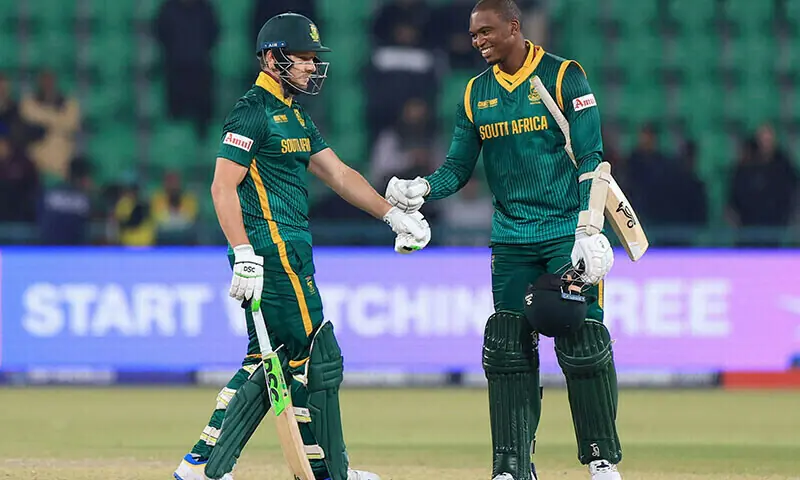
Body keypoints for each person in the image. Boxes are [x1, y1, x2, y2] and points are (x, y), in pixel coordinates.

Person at [173, 12, 430, 480]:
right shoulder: (251, 110)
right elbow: (221, 187)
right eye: (304, 58)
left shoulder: (294, 115)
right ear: (273, 59)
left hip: (288, 249)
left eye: (315, 59)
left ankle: (200, 465)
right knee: (319, 356)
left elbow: (339, 174)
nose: (313, 67)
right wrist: (245, 254)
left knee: (263, 361)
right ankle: (333, 470)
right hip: (272, 251)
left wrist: (392, 216)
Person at [384, 1, 621, 479]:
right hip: (511, 237)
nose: (478, 41)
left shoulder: (564, 77)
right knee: (508, 344)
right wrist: (423, 188)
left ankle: (600, 460)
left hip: (565, 234)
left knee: (582, 338)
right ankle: (512, 466)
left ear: (515, 27)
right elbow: (457, 168)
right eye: (473, 35)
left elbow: (592, 158)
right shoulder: (474, 94)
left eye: (486, 32)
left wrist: (588, 228)